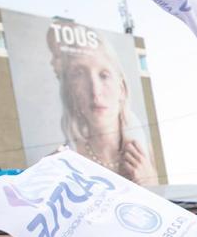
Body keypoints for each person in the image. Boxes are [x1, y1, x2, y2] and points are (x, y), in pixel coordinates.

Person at [47, 21, 158, 185]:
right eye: (79, 74)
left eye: (104, 75)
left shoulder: (144, 155)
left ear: (122, 88)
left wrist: (150, 183)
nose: (95, 91)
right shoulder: (61, 164)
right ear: (70, 89)